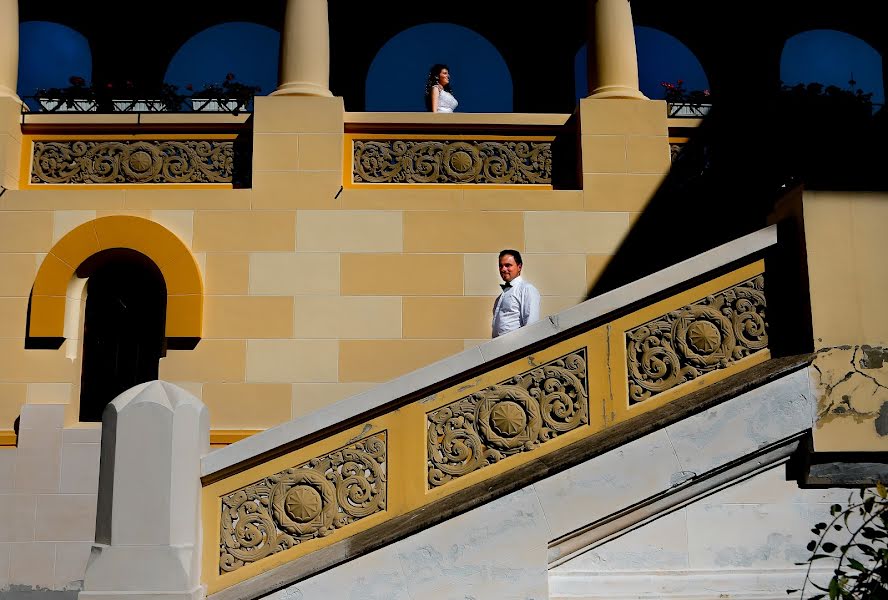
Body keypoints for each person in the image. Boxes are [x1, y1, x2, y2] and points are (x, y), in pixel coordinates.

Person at [492, 249, 541, 338]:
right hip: (499, 349)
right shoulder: (501, 297)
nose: (503, 269)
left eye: (508, 265)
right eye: (501, 266)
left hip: (515, 348)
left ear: (519, 267)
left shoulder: (527, 289)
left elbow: (531, 325)